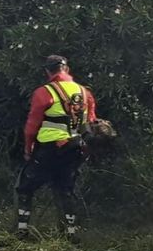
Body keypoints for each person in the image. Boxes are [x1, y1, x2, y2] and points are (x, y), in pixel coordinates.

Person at [16, 55, 98, 241]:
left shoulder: (44, 92)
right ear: (67, 69)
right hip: (75, 149)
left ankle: (22, 231)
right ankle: (70, 234)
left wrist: (28, 149)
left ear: (47, 72)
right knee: (66, 190)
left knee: (25, 187)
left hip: (49, 149)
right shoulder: (85, 92)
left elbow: (31, 127)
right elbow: (91, 122)